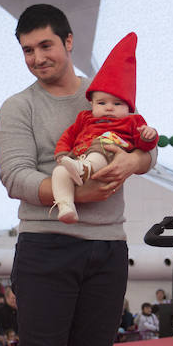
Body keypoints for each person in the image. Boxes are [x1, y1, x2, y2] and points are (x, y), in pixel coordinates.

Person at [0, 4, 156, 346]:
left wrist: (136, 160)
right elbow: (15, 176)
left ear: (68, 41)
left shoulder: (105, 92)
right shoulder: (18, 107)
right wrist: (75, 195)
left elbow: (148, 142)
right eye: (27, 50)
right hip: (46, 244)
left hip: (108, 248)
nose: (37, 57)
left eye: (45, 45)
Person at [50, 32, 158, 223]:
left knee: (104, 142)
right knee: (59, 172)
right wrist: (62, 153)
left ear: (129, 108)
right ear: (92, 104)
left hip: (108, 159)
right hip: (78, 159)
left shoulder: (132, 121)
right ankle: (66, 206)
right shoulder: (84, 118)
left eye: (117, 104)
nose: (109, 107)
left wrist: (148, 136)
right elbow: (68, 136)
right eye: (102, 103)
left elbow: (144, 146)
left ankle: (84, 169)